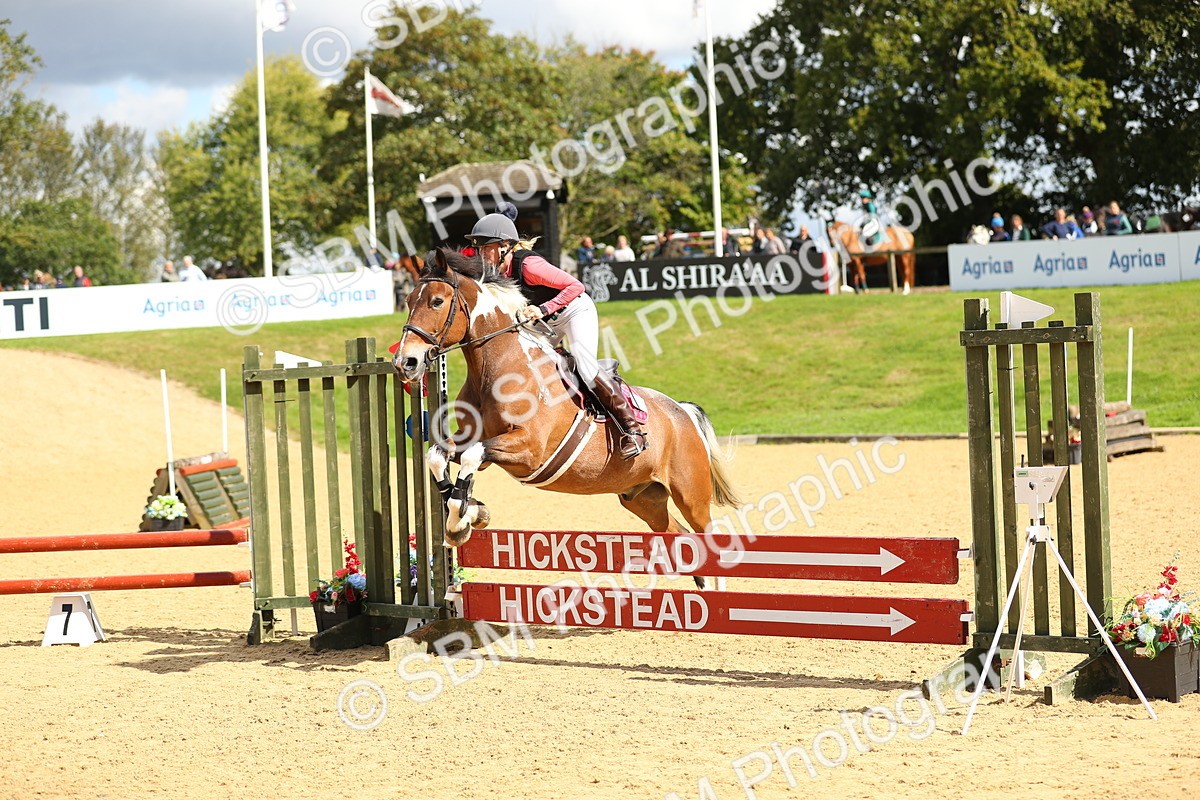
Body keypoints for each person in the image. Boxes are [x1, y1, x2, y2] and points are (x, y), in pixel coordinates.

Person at [466, 210, 648, 459]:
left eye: (486, 248)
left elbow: (576, 286)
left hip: (574, 311)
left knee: (586, 368)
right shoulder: (495, 273)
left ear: (504, 247)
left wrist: (543, 309)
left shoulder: (528, 265)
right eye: (478, 249)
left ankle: (632, 430)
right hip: (544, 323)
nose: (481, 254)